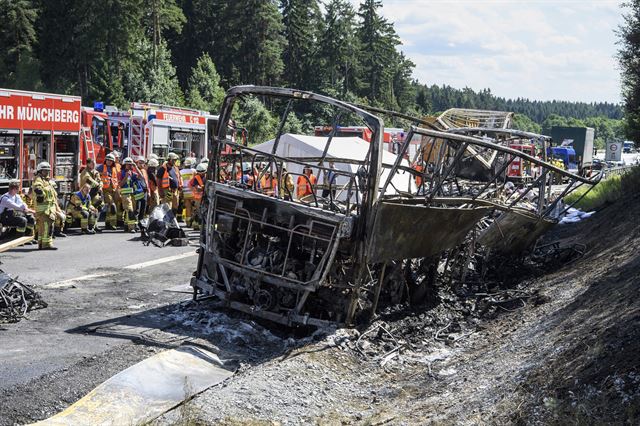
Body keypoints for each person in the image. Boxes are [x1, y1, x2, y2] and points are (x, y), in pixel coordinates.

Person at [32, 162, 57, 250]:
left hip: (48, 208)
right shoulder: (39, 179)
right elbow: (37, 187)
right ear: (40, 171)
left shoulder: (46, 180)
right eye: (45, 171)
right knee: (47, 226)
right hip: (43, 209)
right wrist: (41, 194)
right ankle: (46, 244)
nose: (47, 172)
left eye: (48, 171)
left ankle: (41, 243)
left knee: (43, 227)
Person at [118, 157, 142, 233]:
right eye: (127, 164)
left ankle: (126, 225)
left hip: (132, 195)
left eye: (130, 164)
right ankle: (131, 228)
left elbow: (141, 177)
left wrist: (136, 167)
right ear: (124, 165)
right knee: (130, 210)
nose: (129, 166)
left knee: (131, 211)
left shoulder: (132, 173)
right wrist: (125, 177)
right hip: (125, 195)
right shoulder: (120, 172)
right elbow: (120, 184)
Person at [96, 153, 119, 230]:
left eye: (111, 160)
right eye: (108, 160)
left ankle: (109, 224)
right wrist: (101, 173)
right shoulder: (101, 167)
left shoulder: (114, 168)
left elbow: (115, 179)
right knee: (112, 206)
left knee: (110, 208)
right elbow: (95, 173)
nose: (109, 162)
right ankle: (111, 224)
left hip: (113, 190)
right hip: (105, 190)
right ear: (105, 160)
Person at [180, 158, 196, 226]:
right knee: (194, 207)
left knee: (188, 207)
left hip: (185, 191)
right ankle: (195, 222)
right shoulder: (193, 171)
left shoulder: (181, 172)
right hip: (193, 191)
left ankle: (188, 222)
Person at [190, 163, 207, 230]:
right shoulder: (196, 178)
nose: (201, 174)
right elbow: (198, 188)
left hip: (206, 197)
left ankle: (198, 224)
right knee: (199, 211)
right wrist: (204, 187)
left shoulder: (208, 176)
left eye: (202, 173)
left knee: (203, 211)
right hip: (198, 198)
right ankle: (199, 225)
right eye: (199, 173)